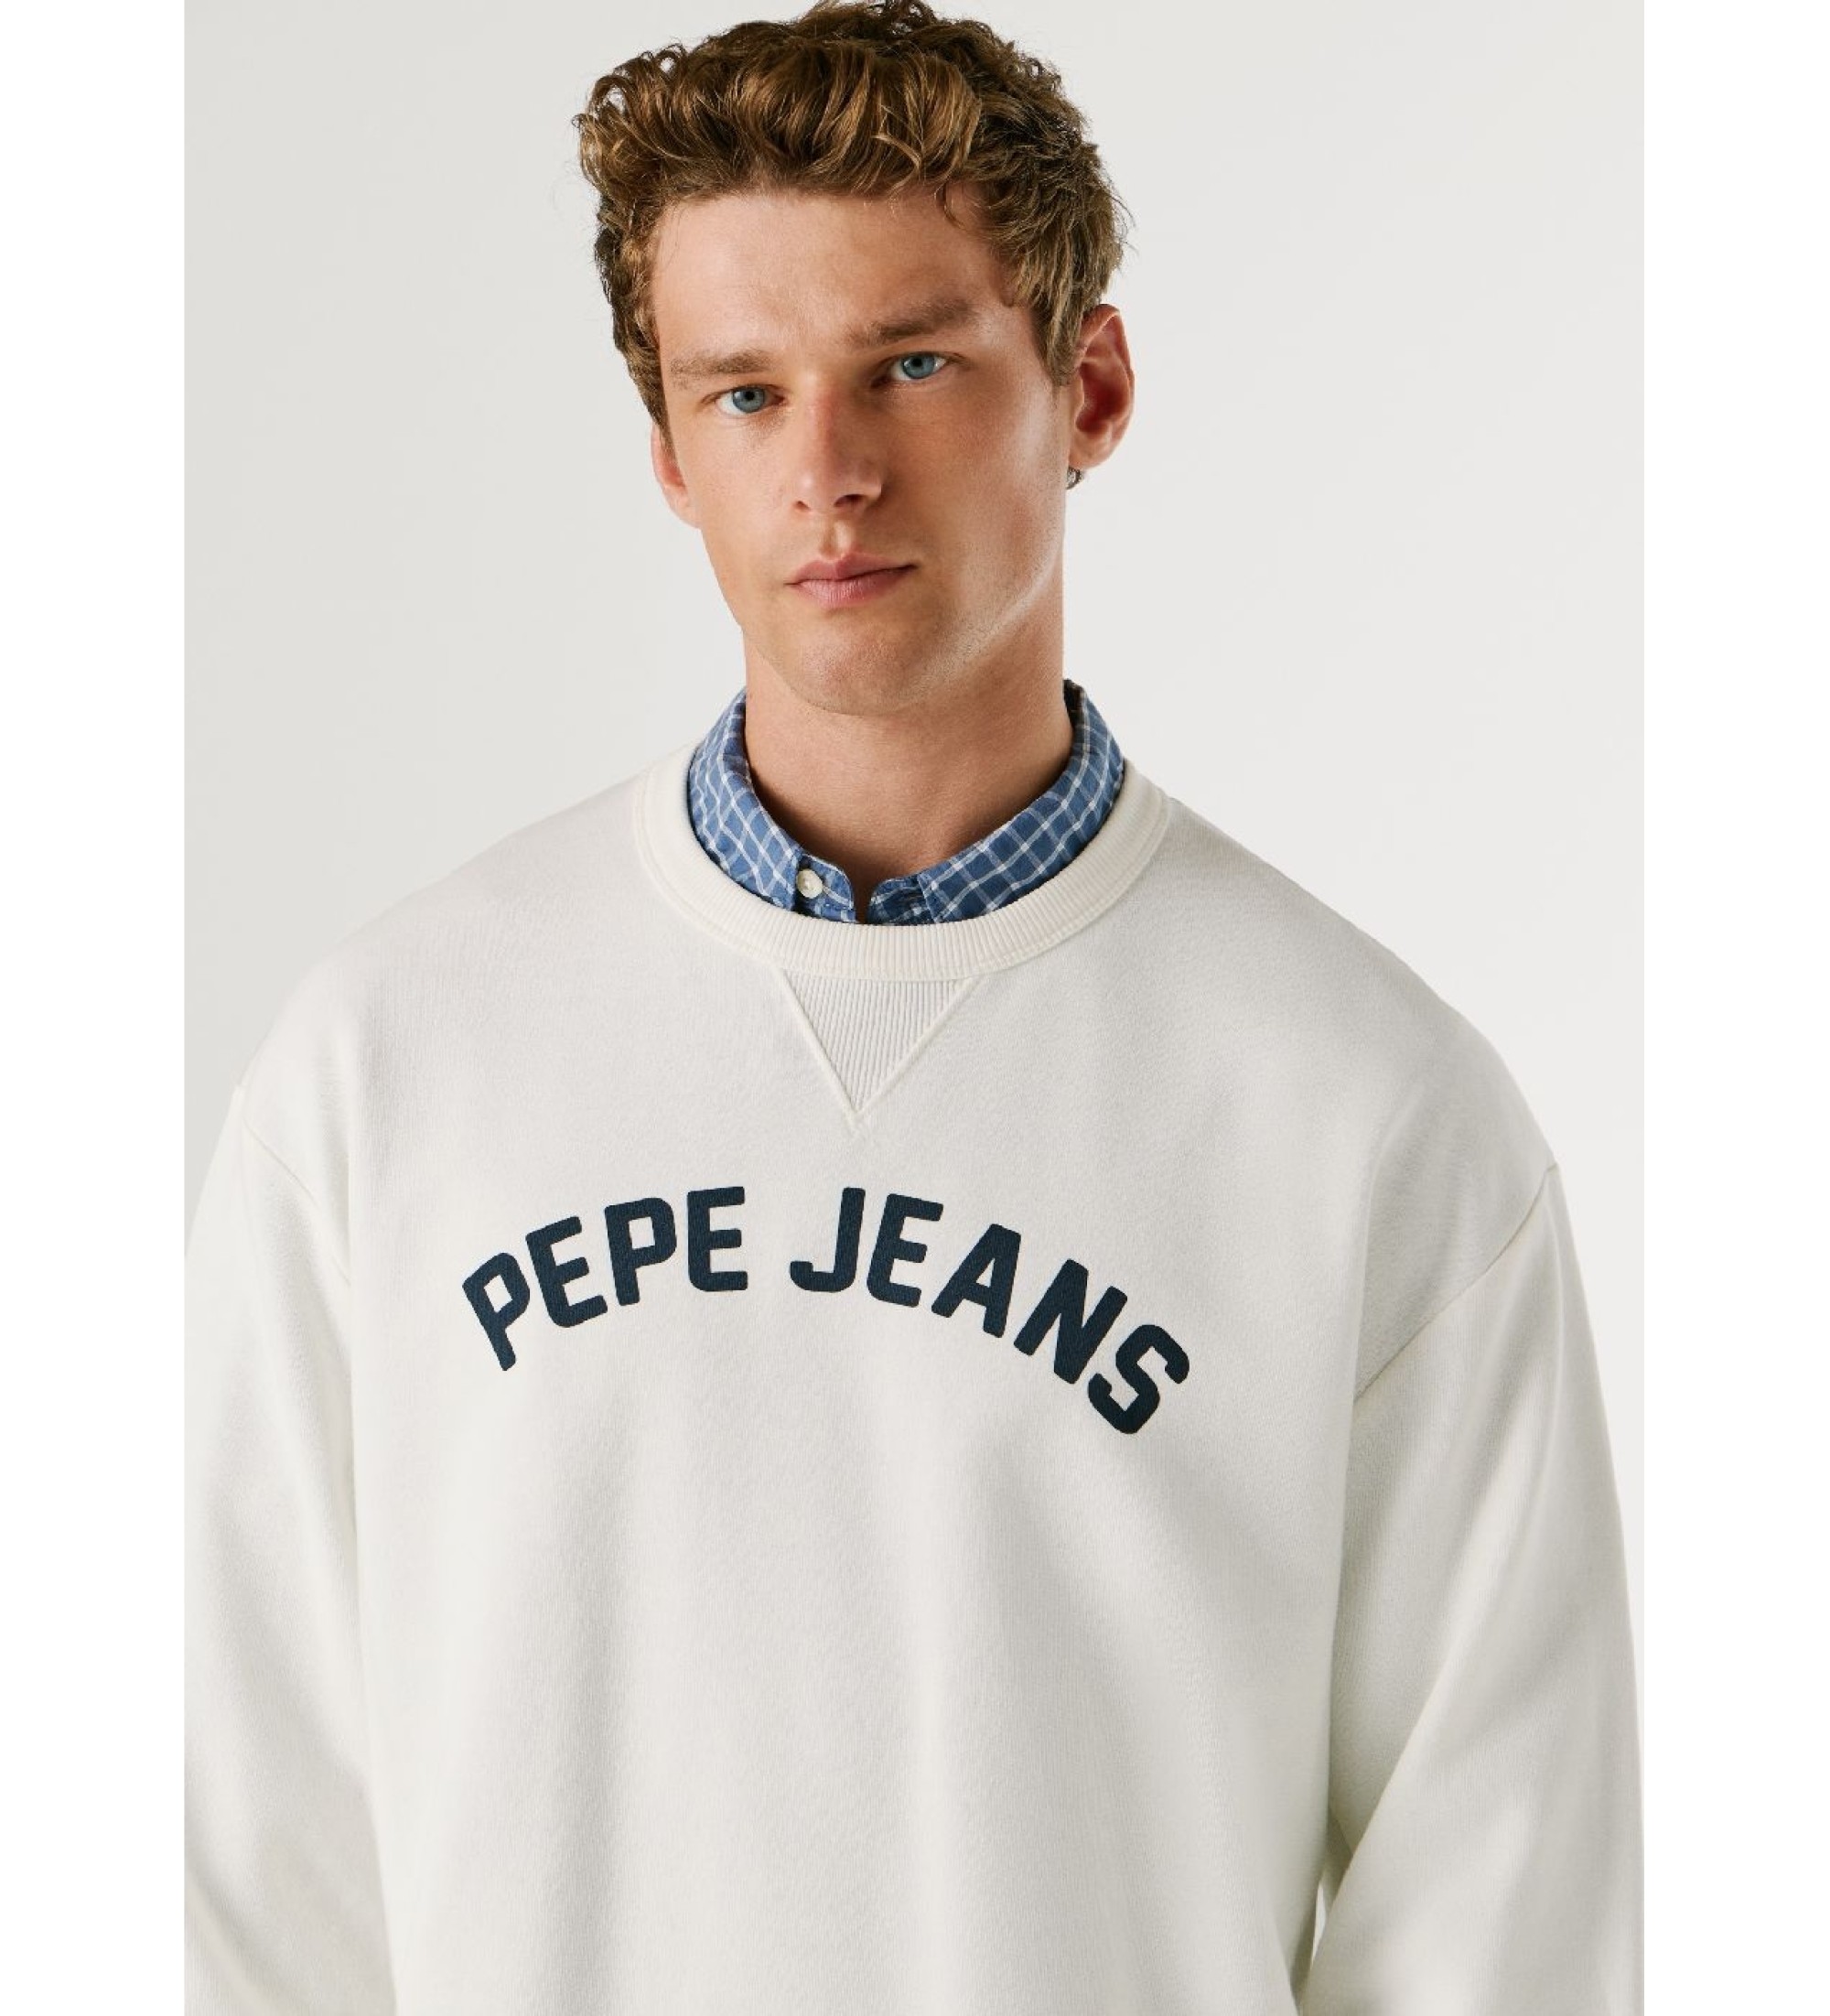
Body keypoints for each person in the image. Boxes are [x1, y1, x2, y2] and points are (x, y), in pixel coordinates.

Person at [184, 1, 1643, 2009]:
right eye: (746, 394)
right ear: (669, 453)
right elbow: (247, 1870)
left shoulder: (1367, 1109)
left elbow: (1501, 1919)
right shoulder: (385, 1068)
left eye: (915, 366)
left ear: (1089, 387)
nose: (831, 473)